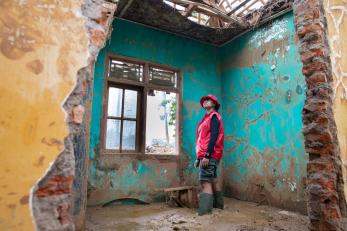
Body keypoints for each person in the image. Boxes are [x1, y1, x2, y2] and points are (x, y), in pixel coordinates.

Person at [195, 94, 224, 215]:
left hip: (210, 154)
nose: (205, 101)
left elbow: (214, 136)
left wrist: (206, 155)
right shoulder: (206, 118)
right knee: (213, 180)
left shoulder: (214, 117)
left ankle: (205, 213)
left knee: (205, 182)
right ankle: (218, 208)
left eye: (208, 100)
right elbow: (202, 139)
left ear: (214, 103)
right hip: (206, 154)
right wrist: (198, 158)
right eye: (204, 100)